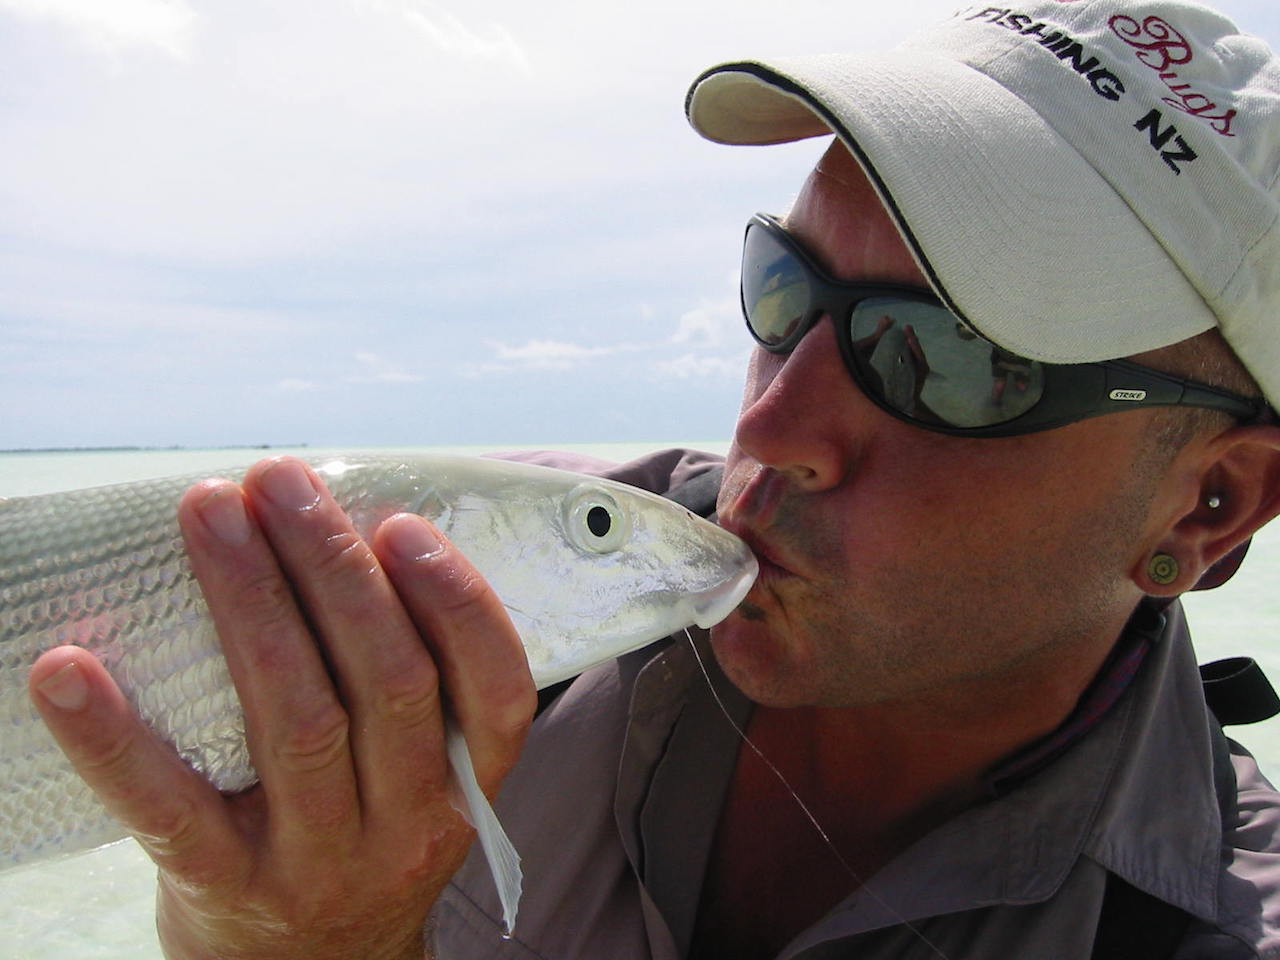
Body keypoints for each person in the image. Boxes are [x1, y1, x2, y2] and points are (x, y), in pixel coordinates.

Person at [26, 0, 1280, 956]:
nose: (778, 420)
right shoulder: (484, 568)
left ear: (1206, 507)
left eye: (950, 360)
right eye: (785, 293)